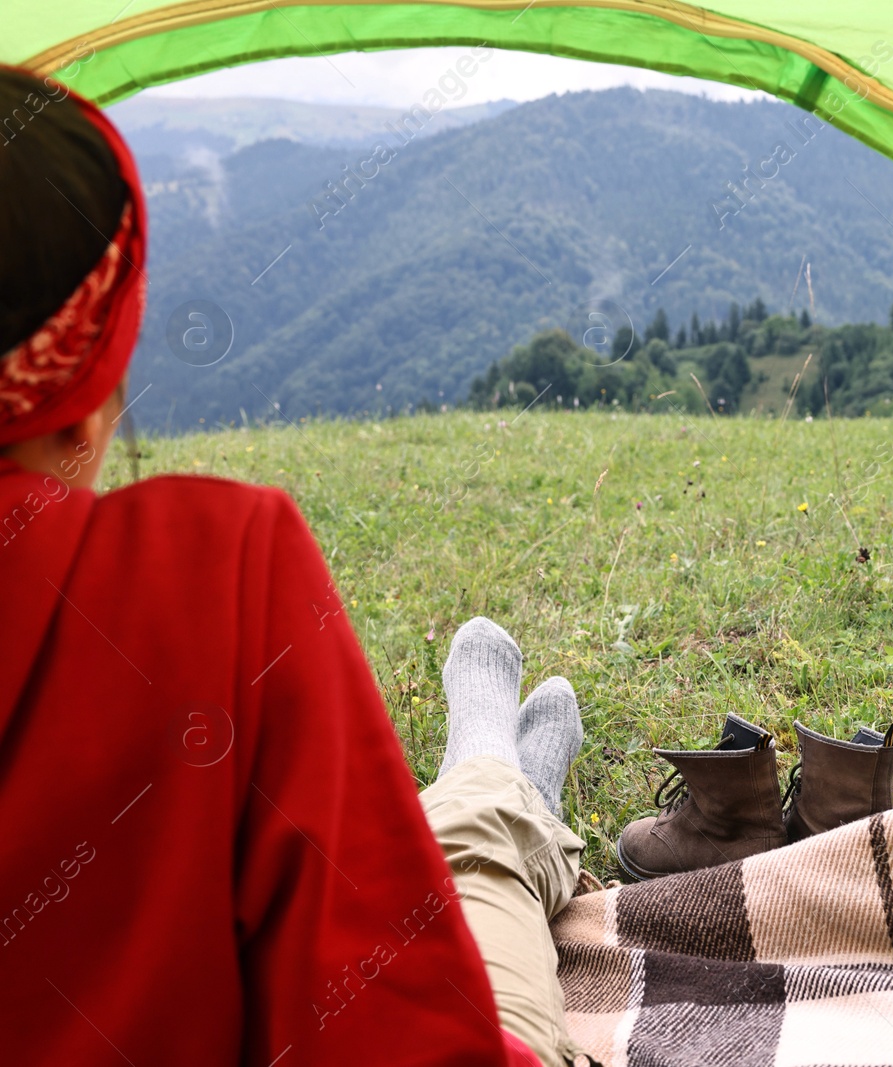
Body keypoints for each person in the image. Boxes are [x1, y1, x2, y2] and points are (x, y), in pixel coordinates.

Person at [0, 65, 586, 1066]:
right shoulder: (213, 572)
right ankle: (503, 794)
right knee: (477, 910)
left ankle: (497, 792)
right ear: (92, 378)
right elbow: (389, 1014)